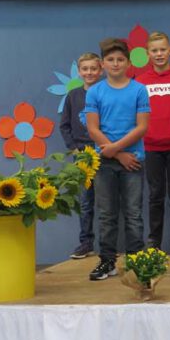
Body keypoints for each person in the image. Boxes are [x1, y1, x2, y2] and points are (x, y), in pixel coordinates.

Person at [83, 38, 150, 281]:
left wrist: (119, 151)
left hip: (133, 160)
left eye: (120, 59)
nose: (115, 63)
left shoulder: (139, 90)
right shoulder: (95, 91)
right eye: (110, 60)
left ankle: (136, 261)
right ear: (103, 64)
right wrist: (117, 153)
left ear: (128, 63)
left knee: (133, 213)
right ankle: (107, 261)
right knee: (106, 214)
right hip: (105, 161)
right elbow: (93, 128)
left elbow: (141, 127)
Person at [136, 31, 170, 258]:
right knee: (155, 195)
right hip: (150, 147)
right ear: (148, 54)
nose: (159, 54)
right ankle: (154, 242)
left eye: (162, 50)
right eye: (154, 50)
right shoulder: (140, 82)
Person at [59, 51, 101, 259]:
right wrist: (74, 148)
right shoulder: (73, 96)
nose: (89, 72)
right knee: (85, 200)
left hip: (104, 151)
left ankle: (109, 245)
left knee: (107, 200)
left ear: (100, 70)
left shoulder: (106, 93)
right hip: (82, 155)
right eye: (85, 69)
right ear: (79, 72)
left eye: (93, 68)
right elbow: (64, 125)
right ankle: (86, 243)